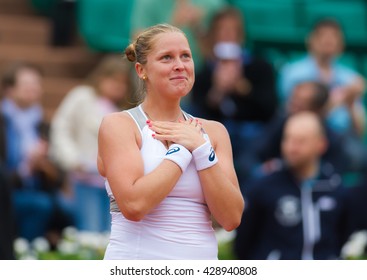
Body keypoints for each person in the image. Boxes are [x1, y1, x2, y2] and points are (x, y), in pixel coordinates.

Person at [97, 23, 244, 260]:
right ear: (141, 70)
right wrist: (183, 150)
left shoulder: (214, 133)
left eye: (186, 56)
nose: (180, 65)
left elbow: (231, 218)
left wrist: (202, 149)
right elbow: (134, 205)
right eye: (166, 57)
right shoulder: (119, 125)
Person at [235, 112, 348, 260]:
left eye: (301, 141)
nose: (291, 147)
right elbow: (244, 243)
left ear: (321, 144)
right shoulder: (263, 187)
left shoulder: (334, 187)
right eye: (288, 139)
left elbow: (343, 236)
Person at [191, 7, 278, 184]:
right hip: (213, 134)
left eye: (232, 30)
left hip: (252, 133)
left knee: (249, 164)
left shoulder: (260, 66)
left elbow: (269, 109)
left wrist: (242, 88)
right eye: (222, 30)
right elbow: (197, 111)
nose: (227, 35)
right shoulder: (203, 72)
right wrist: (218, 91)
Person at [50, 55, 133, 232]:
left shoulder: (124, 111)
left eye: (122, 82)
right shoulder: (82, 96)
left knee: (110, 234)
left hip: (113, 186)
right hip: (84, 179)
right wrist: (72, 160)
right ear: (101, 77)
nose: (117, 86)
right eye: (112, 79)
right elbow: (61, 128)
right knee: (90, 231)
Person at [0, 61, 73, 242]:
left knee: (65, 207)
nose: (33, 89)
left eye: (36, 84)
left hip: (37, 192)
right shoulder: (2, 123)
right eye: (26, 84)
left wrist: (44, 165)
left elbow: (58, 176)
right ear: (10, 89)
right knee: (40, 206)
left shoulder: (42, 126)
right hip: (7, 191)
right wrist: (26, 168)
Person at [279, 18, 366, 137]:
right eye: (323, 36)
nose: (328, 41)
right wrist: (336, 101)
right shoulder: (293, 73)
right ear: (310, 40)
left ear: (341, 43)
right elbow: (292, 118)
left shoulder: (351, 78)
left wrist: (350, 103)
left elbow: (360, 131)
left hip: (341, 139)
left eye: (334, 37)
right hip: (305, 136)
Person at [256, 81, 348, 176]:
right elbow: (251, 155)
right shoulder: (282, 122)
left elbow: (335, 175)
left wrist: (282, 165)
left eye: (299, 105)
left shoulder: (333, 140)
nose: (292, 148)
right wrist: (261, 170)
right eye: (292, 101)